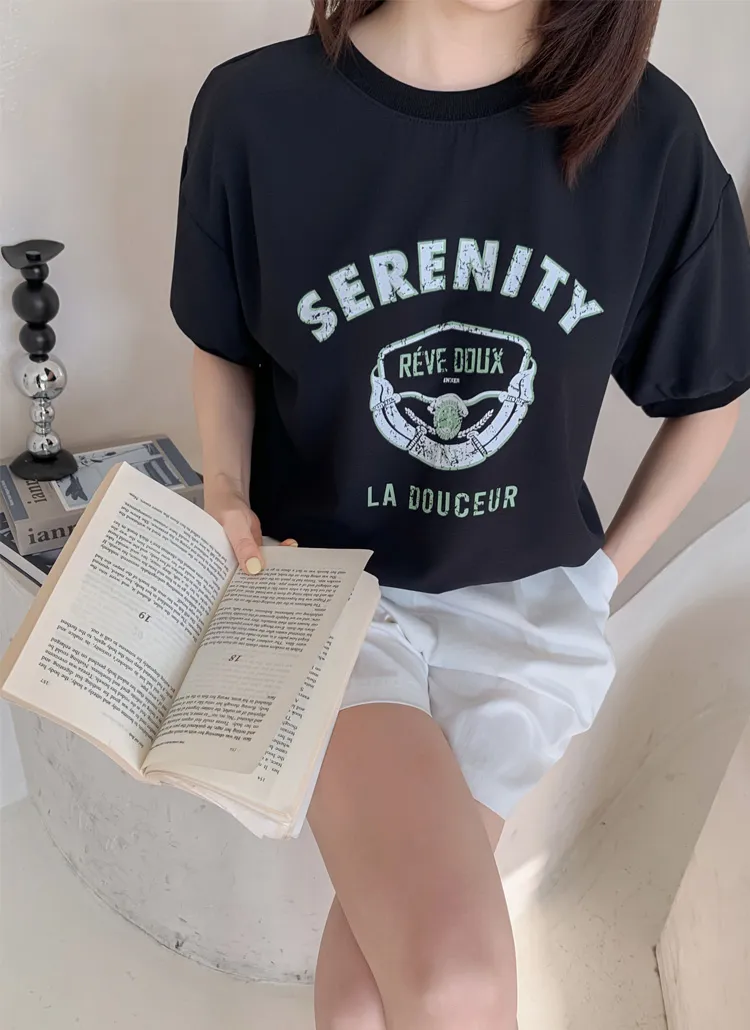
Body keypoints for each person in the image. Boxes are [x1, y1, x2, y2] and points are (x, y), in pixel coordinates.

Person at [171, 1, 750, 1026]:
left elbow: (710, 392)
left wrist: (603, 573)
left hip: (528, 613)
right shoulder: (254, 111)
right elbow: (223, 342)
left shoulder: (648, 135)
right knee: (454, 981)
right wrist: (224, 490)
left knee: (368, 999)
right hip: (330, 598)